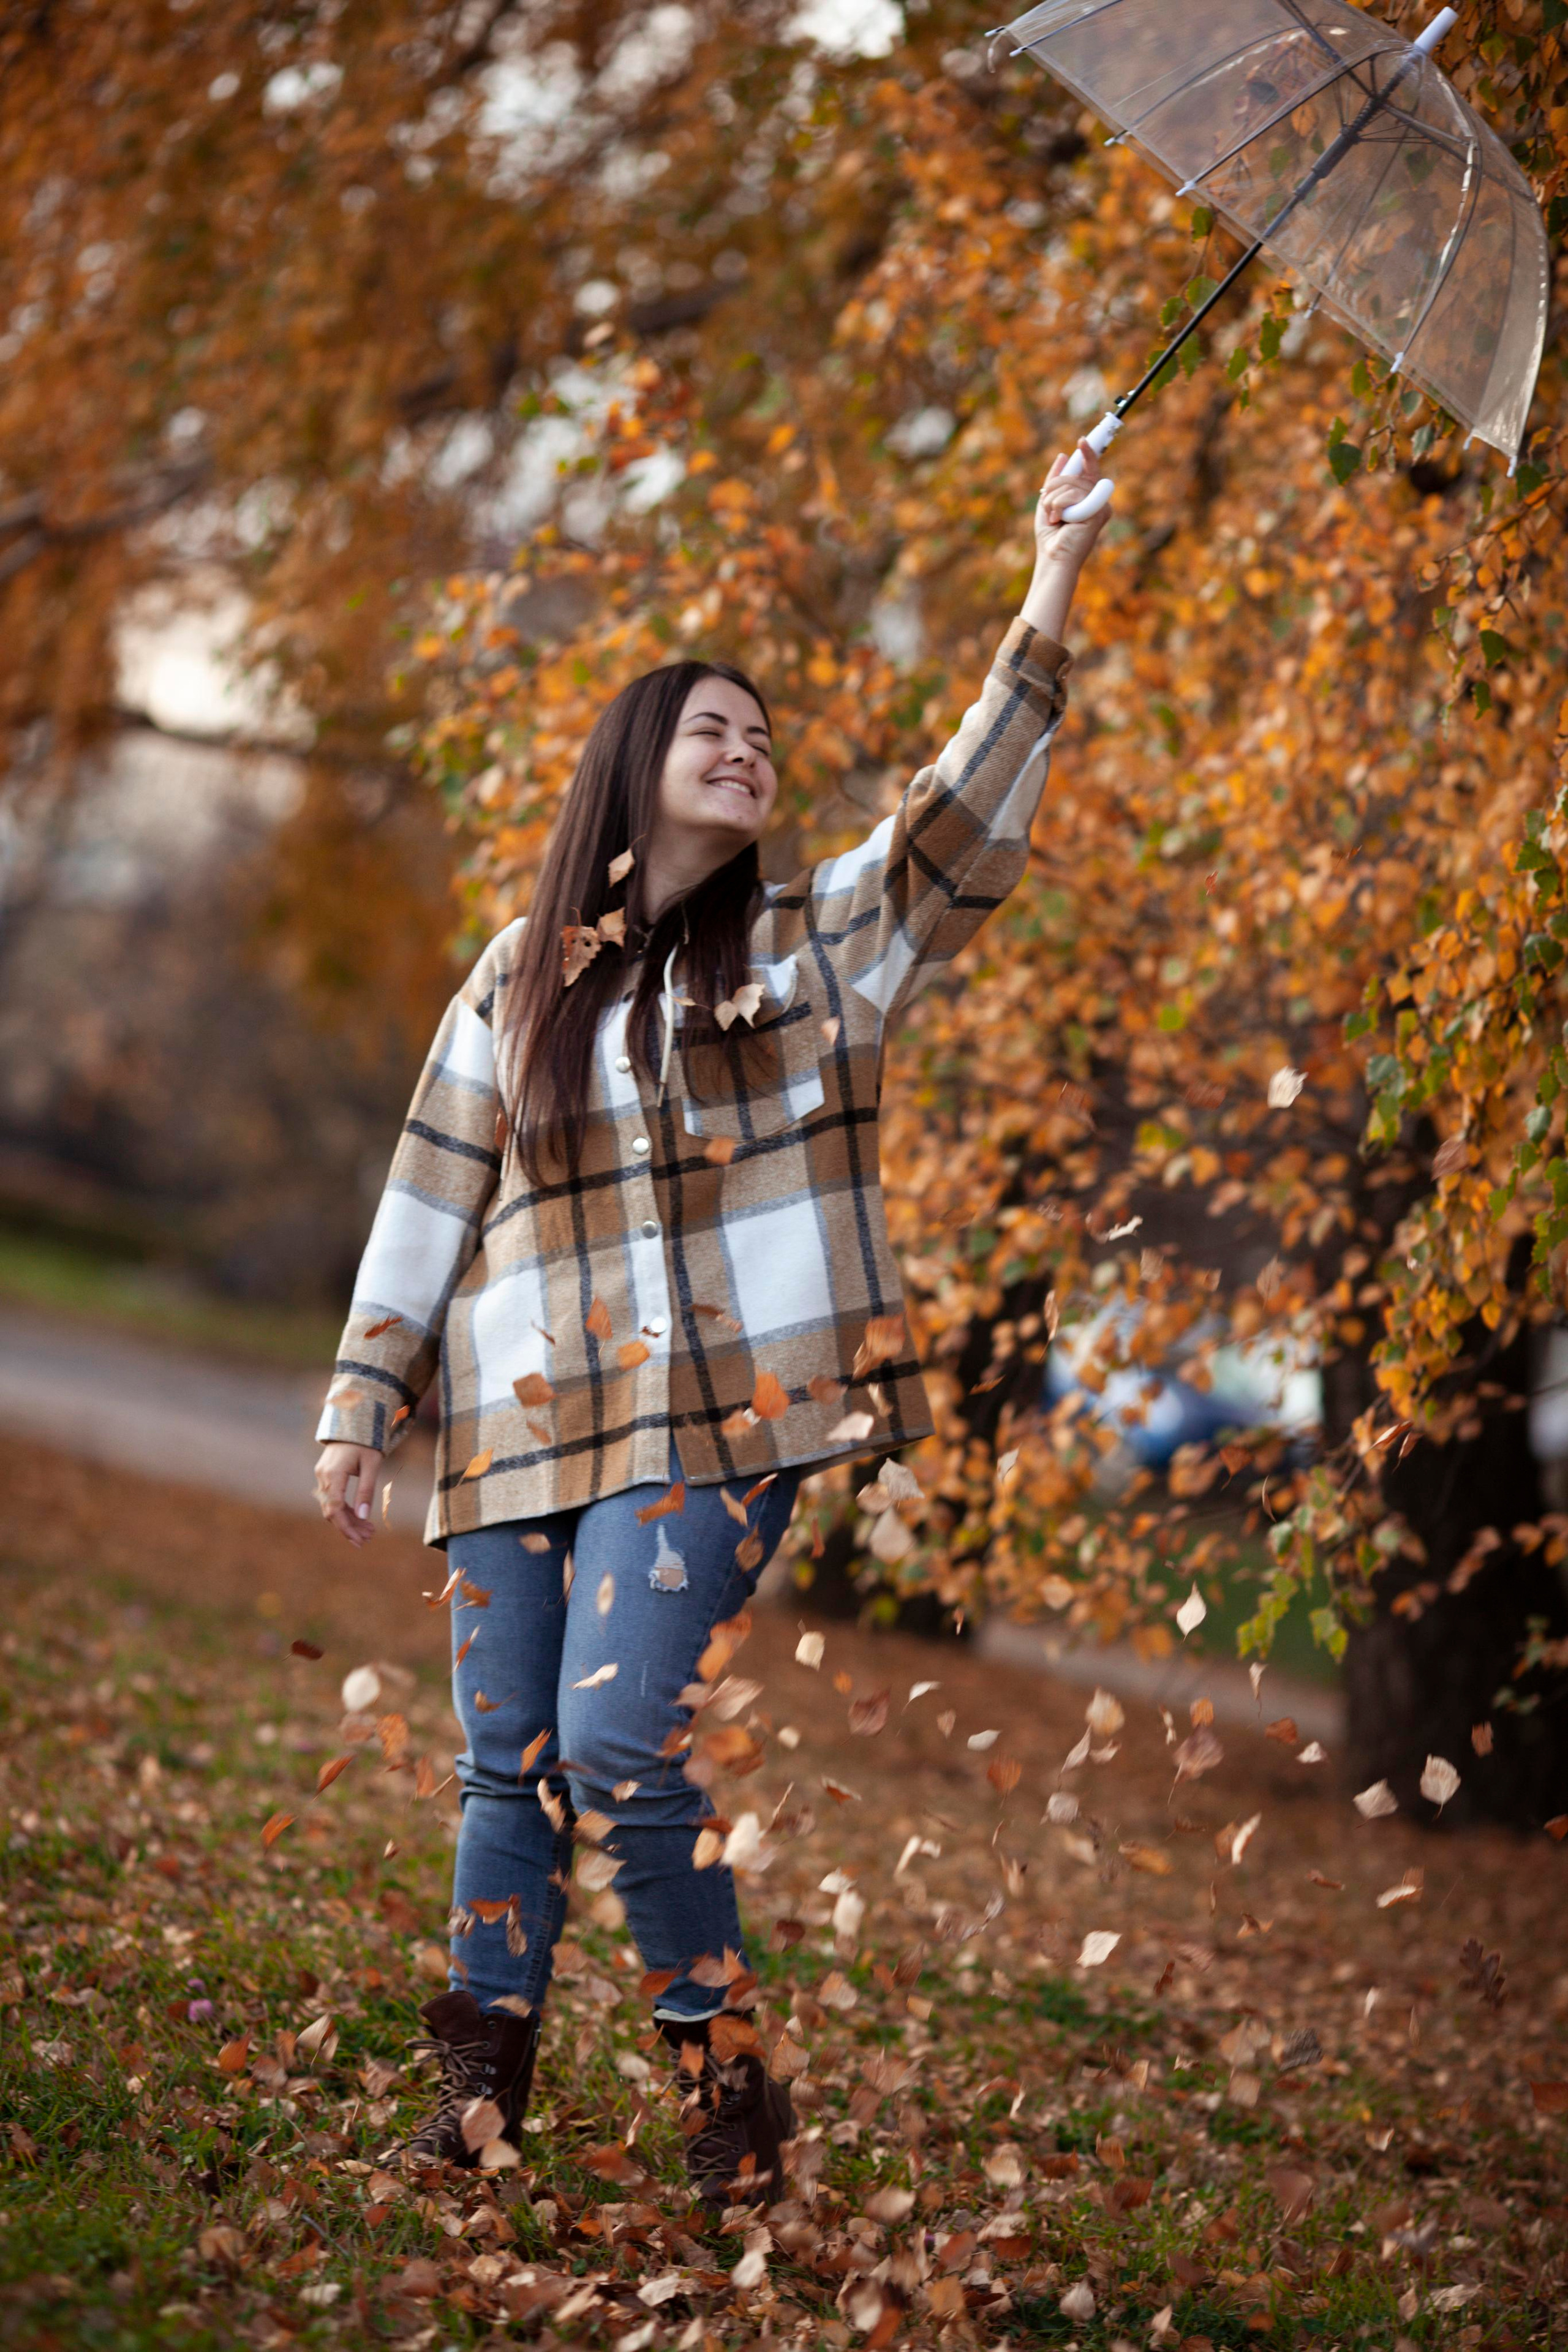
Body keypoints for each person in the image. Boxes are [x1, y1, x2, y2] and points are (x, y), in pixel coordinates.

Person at [313, 439, 1107, 2199]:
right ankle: (477, 2097)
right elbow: (431, 1188)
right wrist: (364, 1398)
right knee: (504, 1767)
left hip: (723, 1424)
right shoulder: (521, 979)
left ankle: (729, 2105)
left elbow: (958, 831)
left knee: (613, 1746)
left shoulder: (817, 945)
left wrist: (1049, 576)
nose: (749, 753)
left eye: (763, 737)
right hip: (520, 1427)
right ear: (636, 771)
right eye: (712, 733)